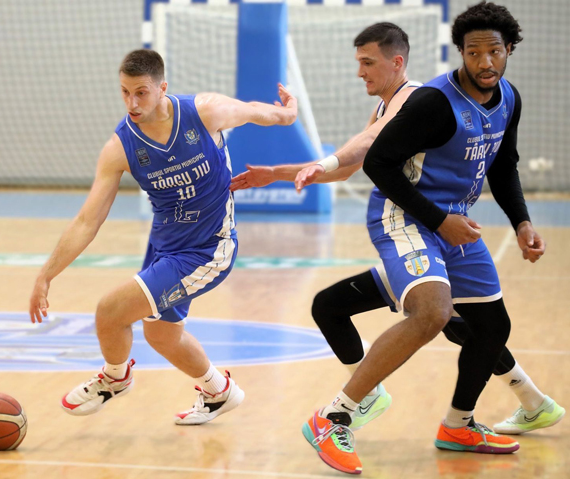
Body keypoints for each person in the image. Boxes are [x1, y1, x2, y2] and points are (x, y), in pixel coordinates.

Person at [231, 21, 564, 438]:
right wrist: (277, 173)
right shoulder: (390, 105)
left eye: (367, 62)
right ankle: (521, 400)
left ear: (397, 62)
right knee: (435, 315)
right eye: (359, 63)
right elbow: (355, 163)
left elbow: (362, 148)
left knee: (457, 318)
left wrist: (518, 220)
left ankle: (518, 402)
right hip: (424, 222)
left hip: (430, 221)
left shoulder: (417, 98)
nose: (360, 72)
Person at [300, 2, 542, 474]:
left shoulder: (509, 98)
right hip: (405, 217)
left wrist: (522, 222)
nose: (485, 62)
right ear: (460, 53)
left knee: (492, 327)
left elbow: (504, 166)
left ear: (509, 49)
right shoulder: (434, 102)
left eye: (494, 52)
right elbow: (377, 163)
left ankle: (458, 425)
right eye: (473, 53)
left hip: (453, 222)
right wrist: (438, 219)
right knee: (432, 312)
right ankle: (333, 418)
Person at [28, 49, 297, 425]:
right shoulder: (120, 147)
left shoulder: (205, 112)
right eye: (125, 92)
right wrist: (46, 275)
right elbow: (88, 220)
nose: (132, 103)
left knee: (110, 312)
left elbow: (256, 111)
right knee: (161, 336)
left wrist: (288, 113)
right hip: (164, 247)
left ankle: (115, 378)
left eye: (141, 92)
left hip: (209, 248)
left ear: (162, 88)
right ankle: (219, 391)